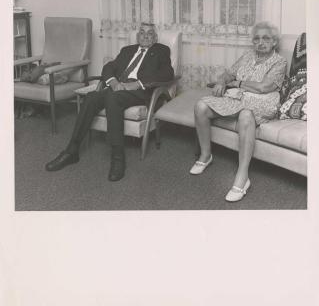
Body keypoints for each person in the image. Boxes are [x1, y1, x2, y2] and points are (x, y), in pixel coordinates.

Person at [46, 23, 174, 181]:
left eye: (149, 33)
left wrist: (135, 84)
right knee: (92, 97)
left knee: (113, 98)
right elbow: (109, 67)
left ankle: (118, 157)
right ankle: (71, 151)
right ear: (137, 36)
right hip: (116, 88)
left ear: (155, 37)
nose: (145, 36)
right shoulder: (127, 51)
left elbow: (168, 73)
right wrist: (113, 82)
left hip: (139, 91)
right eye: (142, 33)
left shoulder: (161, 50)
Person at [190, 21, 287, 202]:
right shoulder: (247, 56)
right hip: (239, 97)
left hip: (263, 101)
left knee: (245, 114)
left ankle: (242, 176)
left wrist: (238, 84)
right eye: (256, 38)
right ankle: (205, 155)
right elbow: (229, 73)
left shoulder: (279, 61)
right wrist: (222, 82)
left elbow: (264, 87)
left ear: (274, 42)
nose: (261, 42)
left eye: (266, 38)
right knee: (200, 107)